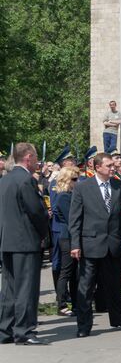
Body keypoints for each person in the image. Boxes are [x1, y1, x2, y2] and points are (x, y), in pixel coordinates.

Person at [69, 152, 121, 338]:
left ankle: (118, 318)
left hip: (112, 243)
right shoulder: (83, 187)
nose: (112, 168)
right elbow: (75, 218)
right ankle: (84, 324)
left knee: (114, 285)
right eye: (108, 165)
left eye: (113, 165)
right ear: (97, 167)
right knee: (86, 287)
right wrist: (75, 244)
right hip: (90, 244)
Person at [0, 143, 50, 345]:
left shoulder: (5, 180)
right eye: (36, 158)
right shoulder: (26, 180)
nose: (37, 162)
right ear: (28, 158)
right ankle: (24, 331)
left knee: (9, 289)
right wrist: (44, 230)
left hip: (8, 241)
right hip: (26, 242)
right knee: (26, 289)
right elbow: (36, 211)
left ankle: (6, 329)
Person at [53, 166, 81, 317]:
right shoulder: (64, 196)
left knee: (75, 272)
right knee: (66, 271)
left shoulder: (70, 194)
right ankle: (62, 304)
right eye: (74, 179)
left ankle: (77, 303)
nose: (77, 182)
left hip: (72, 236)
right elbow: (71, 218)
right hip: (67, 237)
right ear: (66, 180)